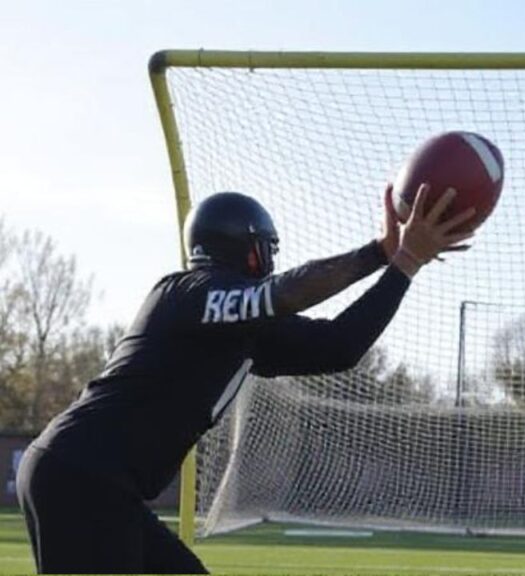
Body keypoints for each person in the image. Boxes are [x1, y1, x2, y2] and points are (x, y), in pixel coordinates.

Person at [16, 183, 473, 574]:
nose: (271, 258)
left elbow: (340, 346)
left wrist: (404, 267)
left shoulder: (246, 331)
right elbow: (284, 293)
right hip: (81, 476)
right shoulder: (185, 293)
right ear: (247, 248)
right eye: (267, 247)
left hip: (92, 479)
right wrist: (380, 252)